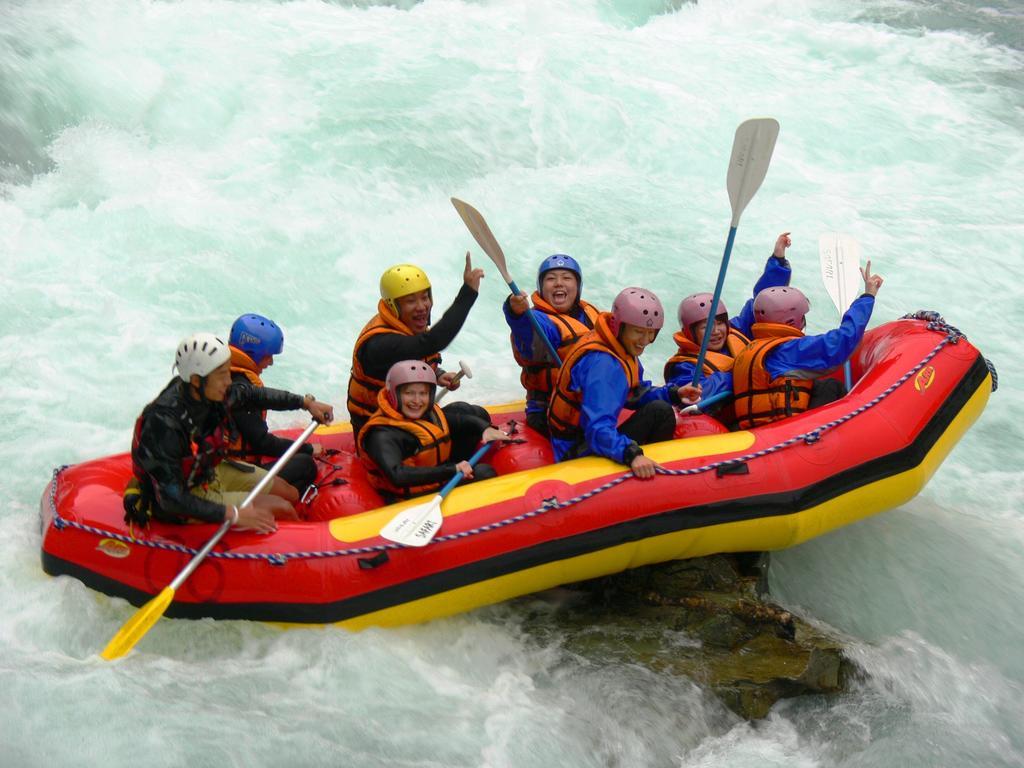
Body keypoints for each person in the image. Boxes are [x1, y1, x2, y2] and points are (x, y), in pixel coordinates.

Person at [124, 333, 334, 533]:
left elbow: (252, 395)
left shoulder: (209, 392)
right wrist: (233, 514)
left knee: (290, 492)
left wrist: (305, 403)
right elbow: (171, 499)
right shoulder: (164, 424)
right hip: (184, 494)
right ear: (197, 380)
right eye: (222, 375)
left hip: (208, 472)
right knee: (282, 507)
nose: (229, 381)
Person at [547, 288, 702, 480]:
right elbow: (597, 429)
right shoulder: (603, 365)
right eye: (638, 332)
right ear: (618, 325)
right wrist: (631, 454)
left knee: (661, 408)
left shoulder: (619, 346)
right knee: (661, 413)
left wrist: (674, 393)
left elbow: (635, 393)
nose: (645, 341)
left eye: (651, 333)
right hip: (576, 451)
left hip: (580, 437)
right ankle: (652, 482)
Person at [731, 261, 884, 429]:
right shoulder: (788, 350)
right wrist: (868, 297)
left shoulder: (750, 348)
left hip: (755, 432)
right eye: (802, 317)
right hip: (783, 432)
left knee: (824, 386)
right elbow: (841, 341)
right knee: (833, 388)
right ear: (791, 321)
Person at [347, 255, 484, 440]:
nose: (422, 307)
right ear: (393, 306)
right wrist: (468, 293)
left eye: (425, 297)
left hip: (406, 418)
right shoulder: (381, 343)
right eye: (411, 301)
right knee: (470, 427)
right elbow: (431, 342)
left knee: (475, 413)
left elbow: (411, 360)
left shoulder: (404, 327)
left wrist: (437, 374)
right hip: (381, 434)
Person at [664, 232, 795, 404]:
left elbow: (762, 301)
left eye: (719, 323)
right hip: (733, 422)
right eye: (706, 327)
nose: (716, 331)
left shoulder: (737, 330)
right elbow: (698, 392)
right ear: (689, 333)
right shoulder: (684, 367)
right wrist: (746, 370)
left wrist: (778, 260)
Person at [357, 360, 511, 502]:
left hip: (437, 475)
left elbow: (458, 421)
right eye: (409, 393)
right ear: (394, 394)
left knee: (470, 413)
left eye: (423, 393)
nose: (417, 401)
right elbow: (398, 476)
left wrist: (485, 429)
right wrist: (453, 469)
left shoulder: (426, 413)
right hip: (409, 496)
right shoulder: (382, 433)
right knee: (484, 473)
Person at [503, 254, 602, 436]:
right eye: (550, 279)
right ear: (541, 288)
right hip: (548, 412)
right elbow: (528, 335)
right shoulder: (538, 320)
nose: (558, 283)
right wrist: (515, 313)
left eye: (566, 278)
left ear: (578, 287)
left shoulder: (592, 314)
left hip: (588, 406)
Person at [227, 313, 324, 495]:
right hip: (233, 473)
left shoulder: (226, 375)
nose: (271, 362)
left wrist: (304, 402)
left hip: (233, 465)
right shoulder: (239, 389)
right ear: (252, 354)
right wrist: (308, 449)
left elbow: (267, 399)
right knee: (305, 464)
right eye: (268, 356)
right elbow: (262, 444)